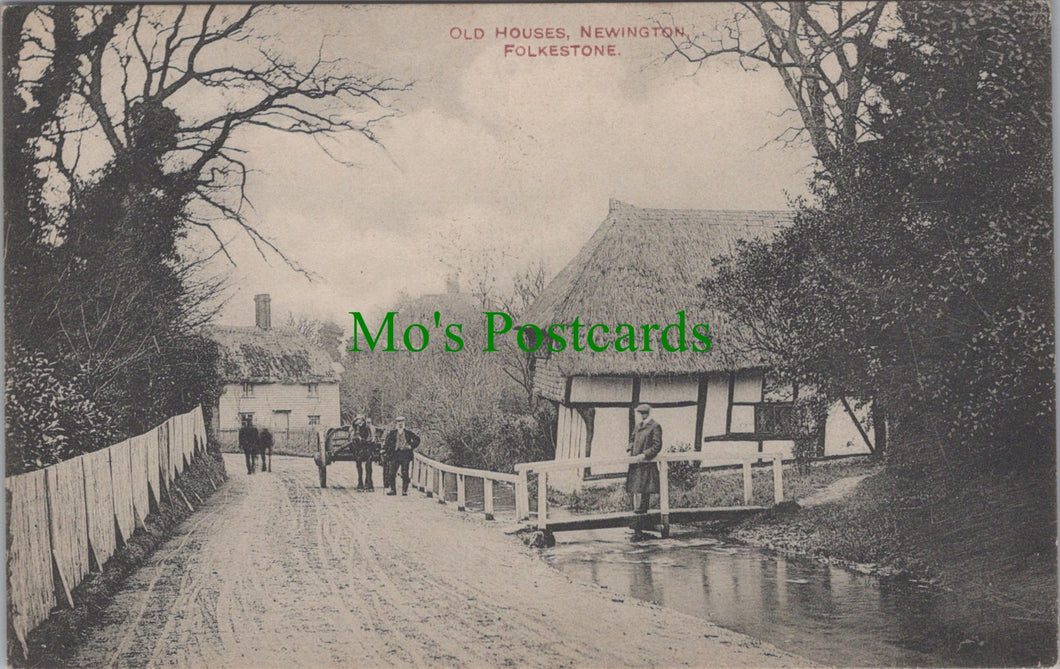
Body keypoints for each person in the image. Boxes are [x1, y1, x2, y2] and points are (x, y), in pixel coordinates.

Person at [626, 403, 662, 514]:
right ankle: (638, 508)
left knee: (646, 486)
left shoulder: (655, 426)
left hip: (646, 461)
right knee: (637, 484)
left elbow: (657, 445)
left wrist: (645, 454)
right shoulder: (638, 426)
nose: (643, 416)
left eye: (645, 413)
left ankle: (643, 508)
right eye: (641, 413)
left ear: (649, 413)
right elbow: (632, 439)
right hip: (636, 461)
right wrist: (629, 449)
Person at [384, 416, 420, 496]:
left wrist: (411, 446)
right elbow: (387, 443)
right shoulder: (392, 433)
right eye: (398, 422)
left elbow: (417, 439)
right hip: (395, 455)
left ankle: (404, 490)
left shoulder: (408, 433)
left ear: (404, 423)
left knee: (405, 472)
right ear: (396, 423)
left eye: (402, 422)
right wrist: (388, 451)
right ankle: (393, 490)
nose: (400, 424)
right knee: (391, 473)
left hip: (405, 455)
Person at [353, 416, 375, 492]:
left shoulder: (369, 428)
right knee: (359, 465)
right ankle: (360, 483)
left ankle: (369, 483)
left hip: (368, 446)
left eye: (361, 422)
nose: (360, 424)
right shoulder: (356, 428)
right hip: (358, 447)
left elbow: (372, 438)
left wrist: (368, 441)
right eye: (359, 422)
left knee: (369, 466)